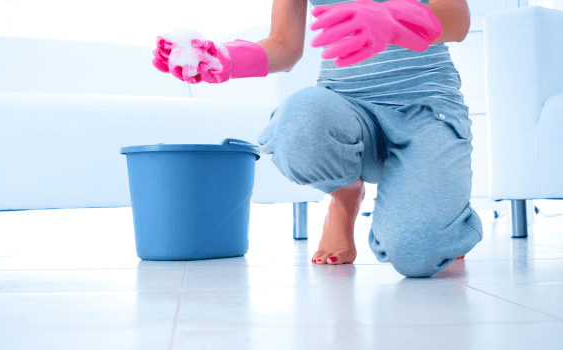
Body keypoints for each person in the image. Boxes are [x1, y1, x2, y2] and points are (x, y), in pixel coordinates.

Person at [152, 0, 482, 278]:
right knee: (298, 123)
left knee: (417, 252)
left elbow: (457, 18)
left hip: (425, 110)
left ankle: (446, 219)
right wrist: (226, 59)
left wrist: (392, 20)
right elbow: (284, 45)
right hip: (345, 107)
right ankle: (344, 196)